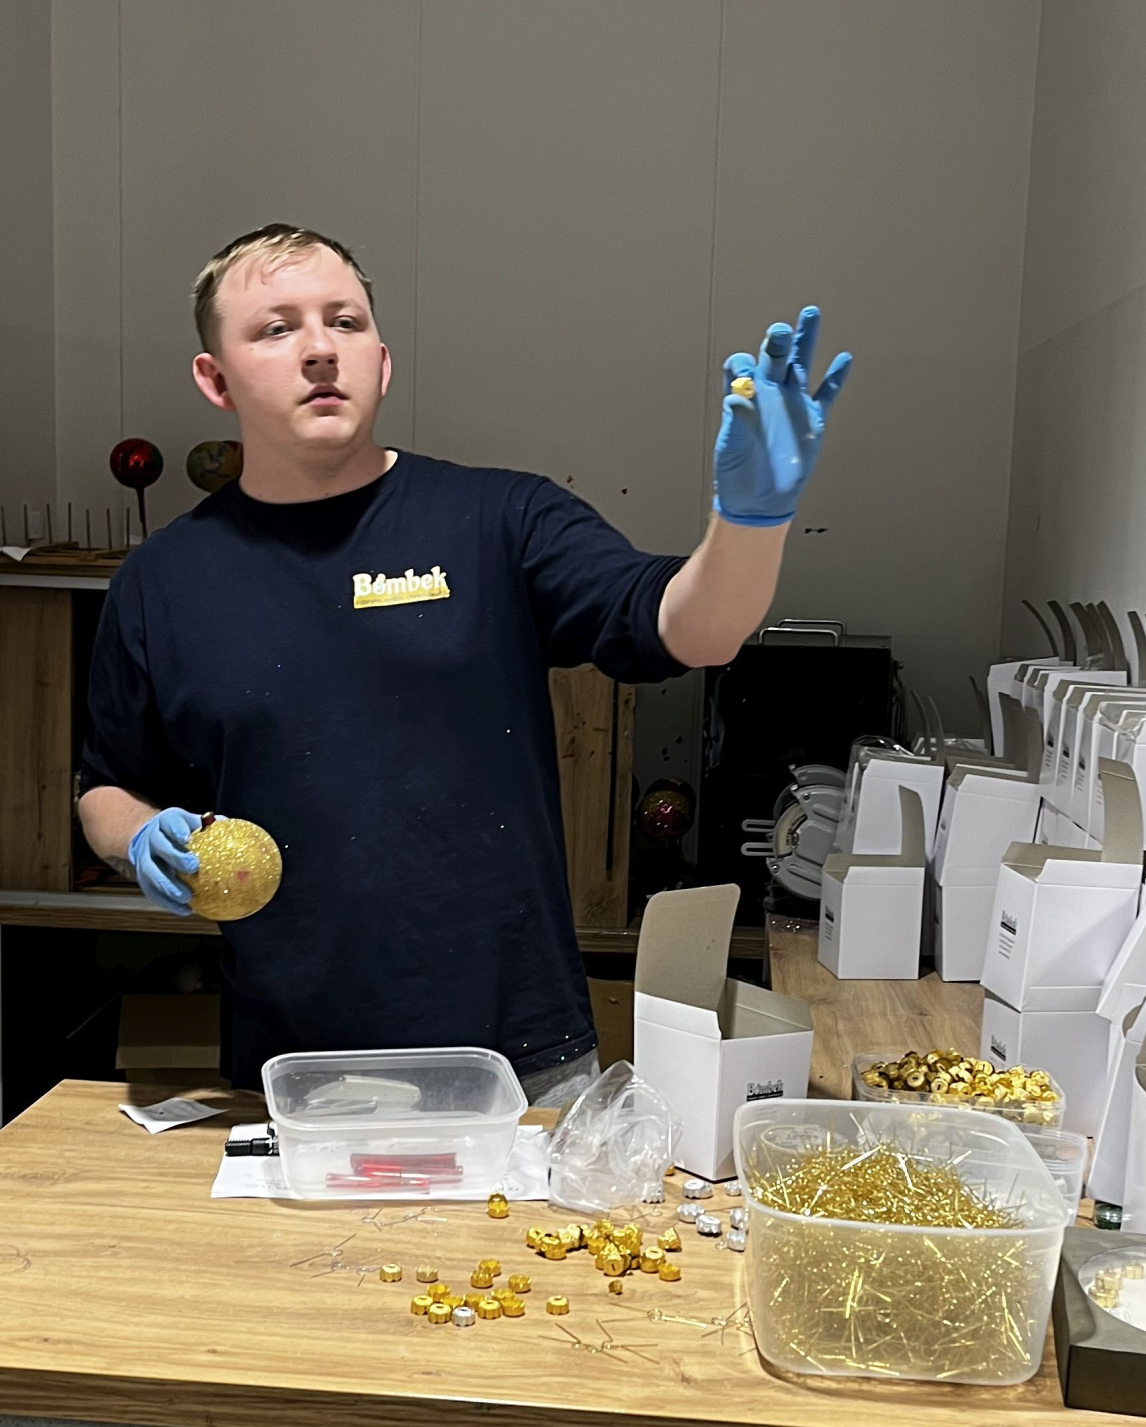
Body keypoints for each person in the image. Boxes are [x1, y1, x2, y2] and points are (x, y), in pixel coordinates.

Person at [77, 224, 852, 1105]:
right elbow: (107, 785)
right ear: (215, 379)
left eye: (344, 322)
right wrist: (138, 837)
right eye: (276, 328)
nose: (320, 349)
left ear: (382, 362)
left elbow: (694, 630)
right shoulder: (163, 581)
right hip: (294, 1065)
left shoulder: (498, 522)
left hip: (521, 1055)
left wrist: (749, 522)